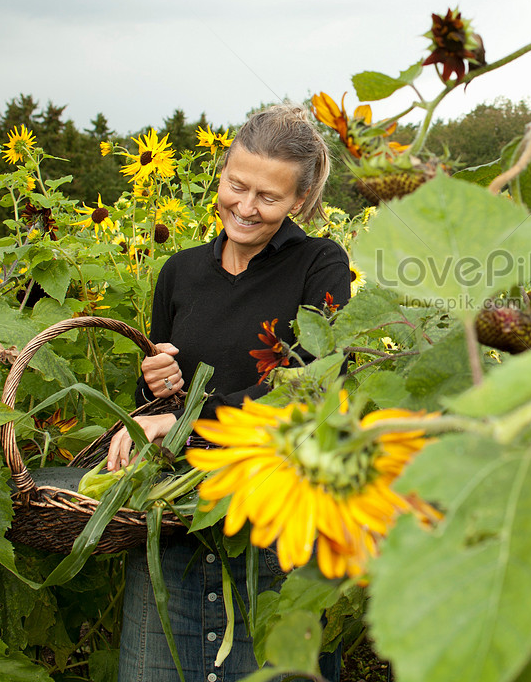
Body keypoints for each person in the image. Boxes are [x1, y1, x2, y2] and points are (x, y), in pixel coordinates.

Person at [106, 104, 351, 682]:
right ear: (221, 174)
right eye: (235, 186)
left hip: (276, 528)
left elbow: (315, 386)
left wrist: (188, 418)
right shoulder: (180, 272)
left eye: (268, 197)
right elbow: (157, 405)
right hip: (177, 527)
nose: (244, 207)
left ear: (299, 200)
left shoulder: (320, 265)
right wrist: (156, 386)